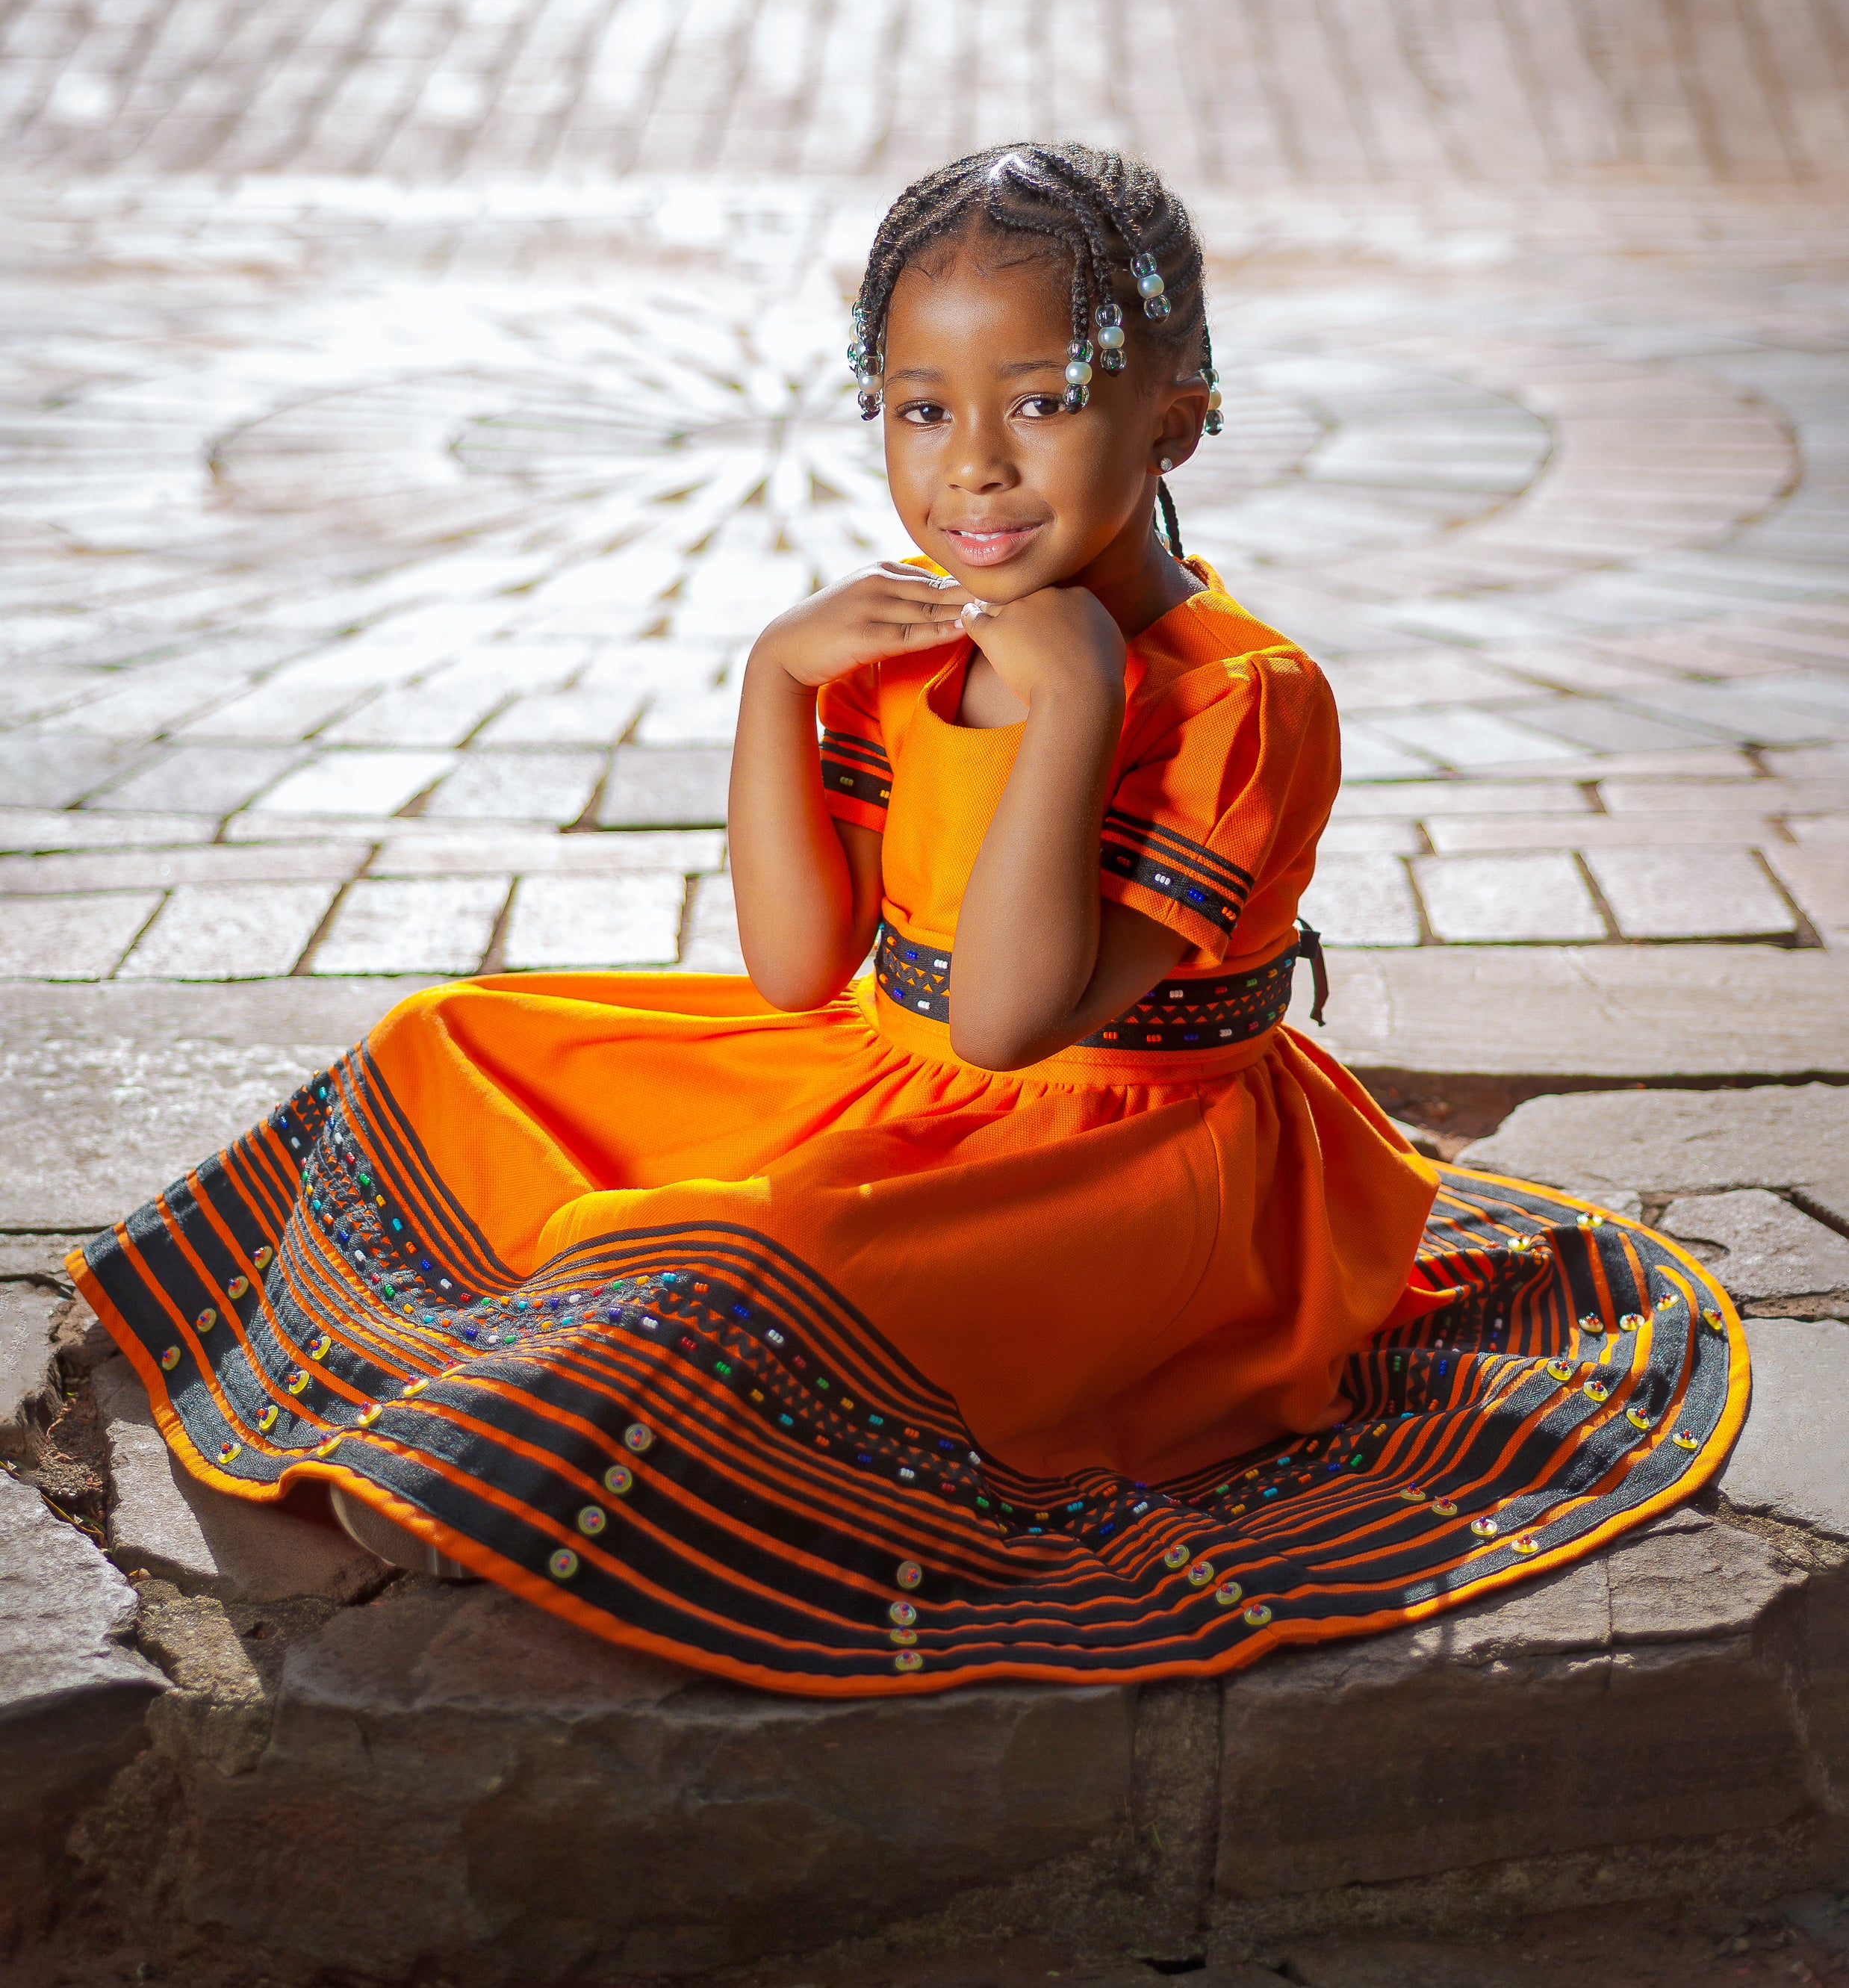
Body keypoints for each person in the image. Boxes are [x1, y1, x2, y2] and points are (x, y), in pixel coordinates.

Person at [72, 146, 1743, 1695]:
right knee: (445, 1041)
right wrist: (774, 680)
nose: (973, 471)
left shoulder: (1244, 700)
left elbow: (1019, 1024)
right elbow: (799, 971)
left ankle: (535, 1445)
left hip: (1121, 1160)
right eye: (918, 410)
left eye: (1041, 402)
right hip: (888, 1072)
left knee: (752, 1263)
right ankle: (505, 1413)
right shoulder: (898, 650)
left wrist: (1075, 701)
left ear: (1174, 420)